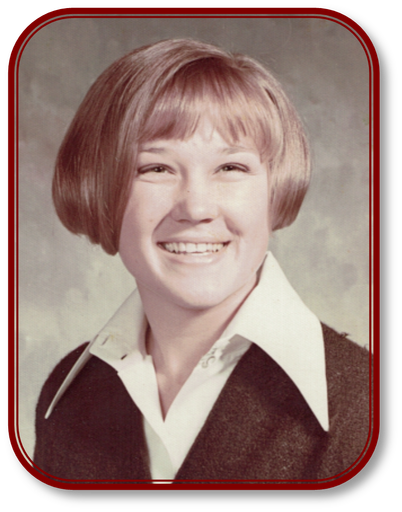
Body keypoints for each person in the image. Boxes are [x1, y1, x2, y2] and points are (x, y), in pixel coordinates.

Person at [33, 38, 370, 482]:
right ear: (98, 189)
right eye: (156, 168)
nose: (196, 208)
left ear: (275, 190)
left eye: (231, 168)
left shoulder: (363, 406)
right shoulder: (67, 397)